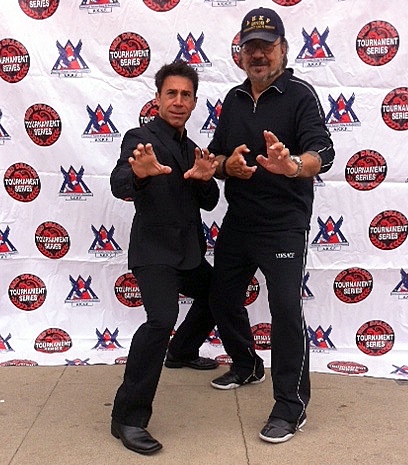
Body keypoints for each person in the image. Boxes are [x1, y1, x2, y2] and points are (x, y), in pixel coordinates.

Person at [208, 7, 335, 444]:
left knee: (284, 309)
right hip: (239, 220)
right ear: (241, 54)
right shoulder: (233, 99)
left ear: (283, 49)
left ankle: (290, 407)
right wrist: (226, 166)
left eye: (267, 46)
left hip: (284, 225)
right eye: (251, 48)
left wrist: (293, 165)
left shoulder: (300, 95)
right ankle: (247, 365)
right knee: (221, 295)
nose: (258, 55)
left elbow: (323, 152)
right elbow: (217, 155)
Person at [110, 61, 220, 455]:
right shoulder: (140, 139)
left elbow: (210, 201)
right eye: (171, 93)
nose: (178, 101)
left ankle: (183, 351)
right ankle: (128, 418)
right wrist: (139, 174)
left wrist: (205, 179)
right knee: (160, 321)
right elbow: (119, 182)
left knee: (219, 293)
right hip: (154, 252)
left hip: (187, 252)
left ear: (194, 102)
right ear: (157, 99)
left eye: (185, 95)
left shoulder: (193, 149)